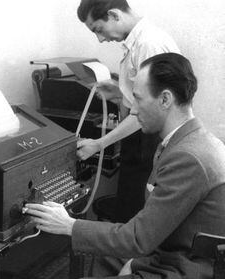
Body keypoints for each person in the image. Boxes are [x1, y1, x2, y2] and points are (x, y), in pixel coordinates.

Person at [24, 53, 225, 278]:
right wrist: (135, 259)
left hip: (185, 267)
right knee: (104, 256)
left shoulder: (188, 157)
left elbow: (139, 239)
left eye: (138, 99)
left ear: (165, 99)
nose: (134, 110)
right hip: (169, 250)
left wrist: (68, 225)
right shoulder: (188, 139)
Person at [76, 0, 180, 222]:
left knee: (134, 217)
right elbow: (143, 98)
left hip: (149, 143)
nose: (101, 39)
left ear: (114, 15)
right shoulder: (140, 42)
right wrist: (119, 92)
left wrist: (98, 144)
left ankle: (129, 258)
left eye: (99, 30)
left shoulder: (147, 45)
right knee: (129, 211)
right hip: (141, 143)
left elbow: (146, 113)